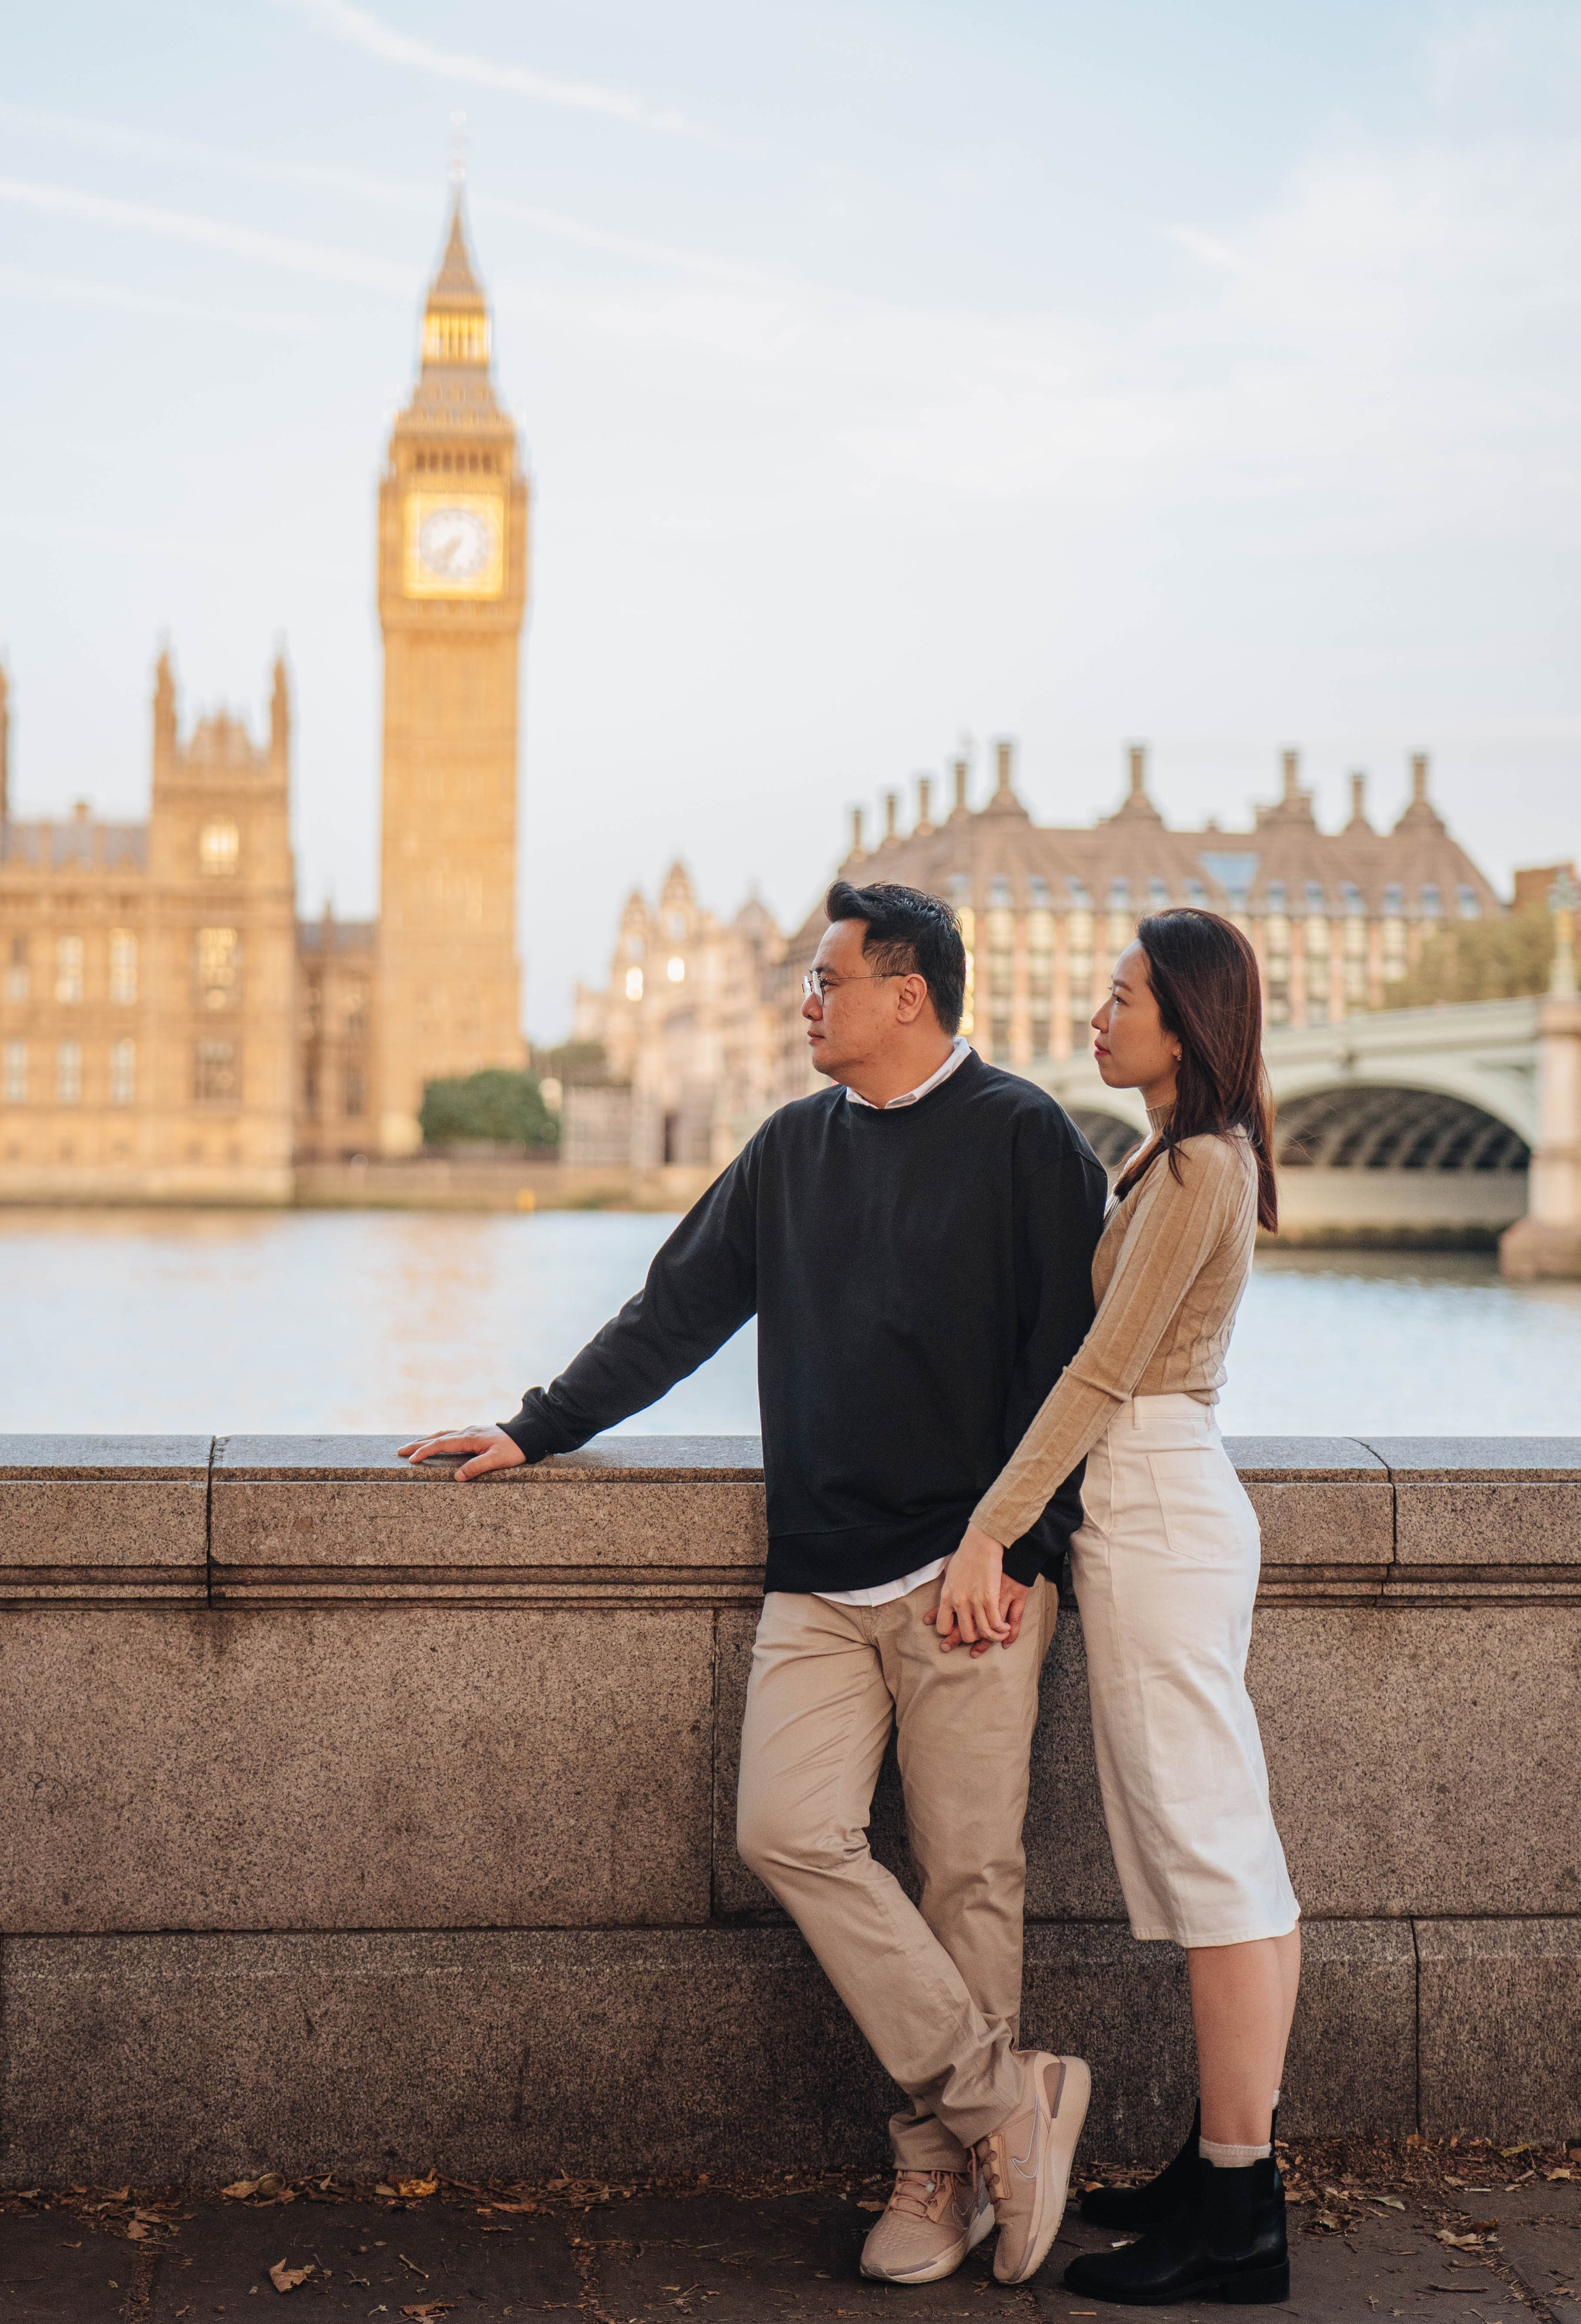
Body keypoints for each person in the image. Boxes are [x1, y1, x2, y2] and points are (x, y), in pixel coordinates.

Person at [399, 880, 1108, 2288]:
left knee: (969, 1876)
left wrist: (1012, 1547)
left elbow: (1070, 1373)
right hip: (819, 1573)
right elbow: (672, 1314)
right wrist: (534, 1425)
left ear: (906, 996)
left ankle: (934, 2175)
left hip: (972, 1577)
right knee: (785, 1830)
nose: (807, 1004)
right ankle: (997, 2107)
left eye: (826, 982)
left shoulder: (1026, 1138)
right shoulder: (791, 1150)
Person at [934, 906, 1299, 2308]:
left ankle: (1237, 2213)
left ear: (1184, 1019)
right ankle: (1217, 2176)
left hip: (1151, 1501)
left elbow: (1098, 1376)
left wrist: (987, 1530)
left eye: (1121, 993)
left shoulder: (1197, 1164)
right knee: (1218, 1859)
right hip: (1147, 1506)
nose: (1097, 1013)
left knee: (1216, 1870)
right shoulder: (1171, 1156)